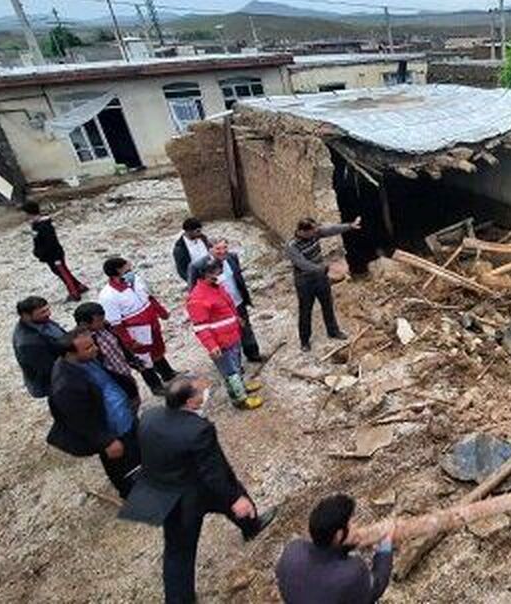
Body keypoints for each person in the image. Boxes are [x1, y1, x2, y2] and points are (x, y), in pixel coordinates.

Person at [119, 374, 277, 603]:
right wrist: (235, 498)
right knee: (181, 550)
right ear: (190, 402)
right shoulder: (198, 429)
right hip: (187, 497)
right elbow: (214, 472)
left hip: (164, 487)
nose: (206, 392)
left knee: (181, 546)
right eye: (201, 391)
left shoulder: (150, 416)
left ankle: (251, 526)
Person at [46, 329, 141, 497]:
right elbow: (79, 420)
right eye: (89, 347)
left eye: (93, 344)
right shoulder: (66, 386)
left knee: (138, 453)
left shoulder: (89, 359)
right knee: (123, 468)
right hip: (112, 432)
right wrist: (106, 441)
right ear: (70, 354)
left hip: (126, 417)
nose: (96, 349)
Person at [276, 494, 394, 604]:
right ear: (339, 535)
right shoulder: (352, 572)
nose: (356, 526)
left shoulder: (292, 551)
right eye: (351, 523)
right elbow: (376, 587)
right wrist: (386, 543)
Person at [186, 258, 263, 411]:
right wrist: (212, 345)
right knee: (230, 373)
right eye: (214, 272)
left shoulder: (217, 286)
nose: (219, 274)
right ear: (202, 274)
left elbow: (228, 305)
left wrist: (236, 318)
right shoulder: (197, 298)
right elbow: (200, 327)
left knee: (236, 366)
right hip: (221, 342)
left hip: (232, 336)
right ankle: (240, 400)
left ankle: (241, 386)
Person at [100, 257, 178, 395]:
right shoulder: (108, 296)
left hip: (151, 321)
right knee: (143, 359)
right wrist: (129, 341)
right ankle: (155, 386)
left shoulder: (136, 280)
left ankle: (167, 373)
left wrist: (161, 312)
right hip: (136, 330)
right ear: (117, 271)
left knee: (157, 348)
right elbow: (115, 323)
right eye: (127, 269)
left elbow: (149, 297)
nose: (131, 271)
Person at [288, 217, 360, 351]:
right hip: (304, 282)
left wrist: (350, 225)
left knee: (327, 305)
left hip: (320, 278)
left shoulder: (315, 233)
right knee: (305, 311)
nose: (316, 232)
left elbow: (331, 229)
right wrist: (324, 268)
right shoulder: (292, 246)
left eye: (316, 230)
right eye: (313, 231)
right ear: (302, 232)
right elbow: (302, 264)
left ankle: (333, 331)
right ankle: (304, 341)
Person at [188, 239, 265, 364]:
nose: (222, 251)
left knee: (246, 329)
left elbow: (238, 277)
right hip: (218, 311)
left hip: (237, 302)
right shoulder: (197, 266)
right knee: (227, 337)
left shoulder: (232, 257)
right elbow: (193, 289)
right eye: (218, 248)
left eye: (225, 248)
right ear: (209, 249)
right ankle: (233, 364)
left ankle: (253, 354)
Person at [23, 200, 89, 302]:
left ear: (29, 213)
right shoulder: (37, 225)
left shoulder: (44, 226)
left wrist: (41, 253)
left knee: (62, 273)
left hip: (54, 255)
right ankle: (79, 286)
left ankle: (74, 293)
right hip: (50, 255)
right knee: (60, 271)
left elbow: (50, 243)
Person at [12, 295, 69, 398]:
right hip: (57, 383)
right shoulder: (28, 343)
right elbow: (49, 370)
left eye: (47, 310)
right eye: (43, 312)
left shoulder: (39, 321)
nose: (49, 314)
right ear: (26, 316)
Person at [74, 301, 141, 383]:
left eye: (103, 318)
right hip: (113, 380)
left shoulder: (106, 327)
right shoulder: (85, 343)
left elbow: (119, 345)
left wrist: (132, 360)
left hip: (124, 370)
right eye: (99, 320)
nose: (103, 321)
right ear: (84, 324)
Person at [172, 217, 211, 285]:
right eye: (197, 231)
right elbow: (182, 271)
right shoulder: (180, 249)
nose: (200, 233)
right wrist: (194, 282)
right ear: (189, 231)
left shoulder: (202, 238)